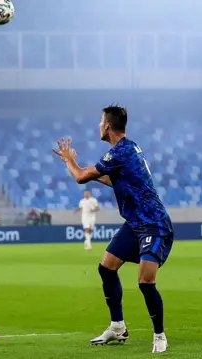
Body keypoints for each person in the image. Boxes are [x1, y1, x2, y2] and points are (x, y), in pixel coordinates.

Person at [52, 105, 173, 353]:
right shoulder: (128, 148)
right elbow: (114, 178)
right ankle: (118, 327)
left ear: (107, 125)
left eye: (100, 121)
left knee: (145, 281)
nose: (98, 125)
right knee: (106, 268)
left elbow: (79, 177)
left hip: (153, 223)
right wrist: (95, 172)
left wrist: (70, 160)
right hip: (135, 223)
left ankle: (159, 336)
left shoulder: (120, 151)